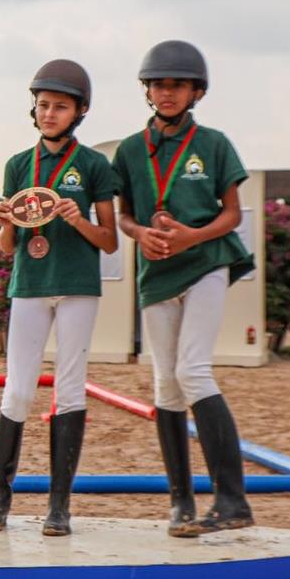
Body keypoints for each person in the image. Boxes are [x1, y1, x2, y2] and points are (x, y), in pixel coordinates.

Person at [113, 40, 256, 537]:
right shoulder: (132, 150)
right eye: (158, 84)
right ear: (147, 91)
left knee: (193, 371)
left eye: (176, 85)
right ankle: (181, 503)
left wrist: (194, 234)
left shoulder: (215, 143)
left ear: (196, 91)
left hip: (206, 263)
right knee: (164, 385)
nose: (166, 92)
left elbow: (233, 214)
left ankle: (233, 502)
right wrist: (139, 234)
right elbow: (125, 215)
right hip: (157, 272)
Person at [0, 60, 118, 536]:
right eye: (43, 106)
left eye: (60, 106)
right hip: (30, 285)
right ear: (33, 110)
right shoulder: (19, 164)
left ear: (80, 111)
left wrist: (77, 220)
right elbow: (7, 248)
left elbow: (109, 241)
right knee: (17, 388)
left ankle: (60, 505)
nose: (50, 113)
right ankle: (0, 496)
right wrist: (5, 223)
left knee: (70, 388)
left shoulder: (95, 165)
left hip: (78, 286)